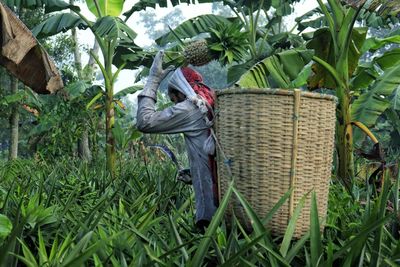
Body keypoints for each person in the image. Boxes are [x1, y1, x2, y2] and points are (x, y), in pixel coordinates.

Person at [136, 51, 218, 231]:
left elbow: (144, 122)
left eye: (175, 100)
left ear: (181, 91)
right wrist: (194, 173)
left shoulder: (191, 107)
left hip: (212, 209)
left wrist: (153, 80)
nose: (175, 105)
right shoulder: (210, 101)